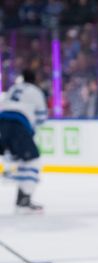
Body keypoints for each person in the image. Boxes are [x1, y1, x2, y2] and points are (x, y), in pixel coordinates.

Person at [0, 69, 48, 213]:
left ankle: (12, 178)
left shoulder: (14, 88)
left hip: (1, 121)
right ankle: (24, 201)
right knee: (33, 160)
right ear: (35, 79)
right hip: (18, 125)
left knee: (22, 159)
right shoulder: (35, 91)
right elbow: (41, 117)